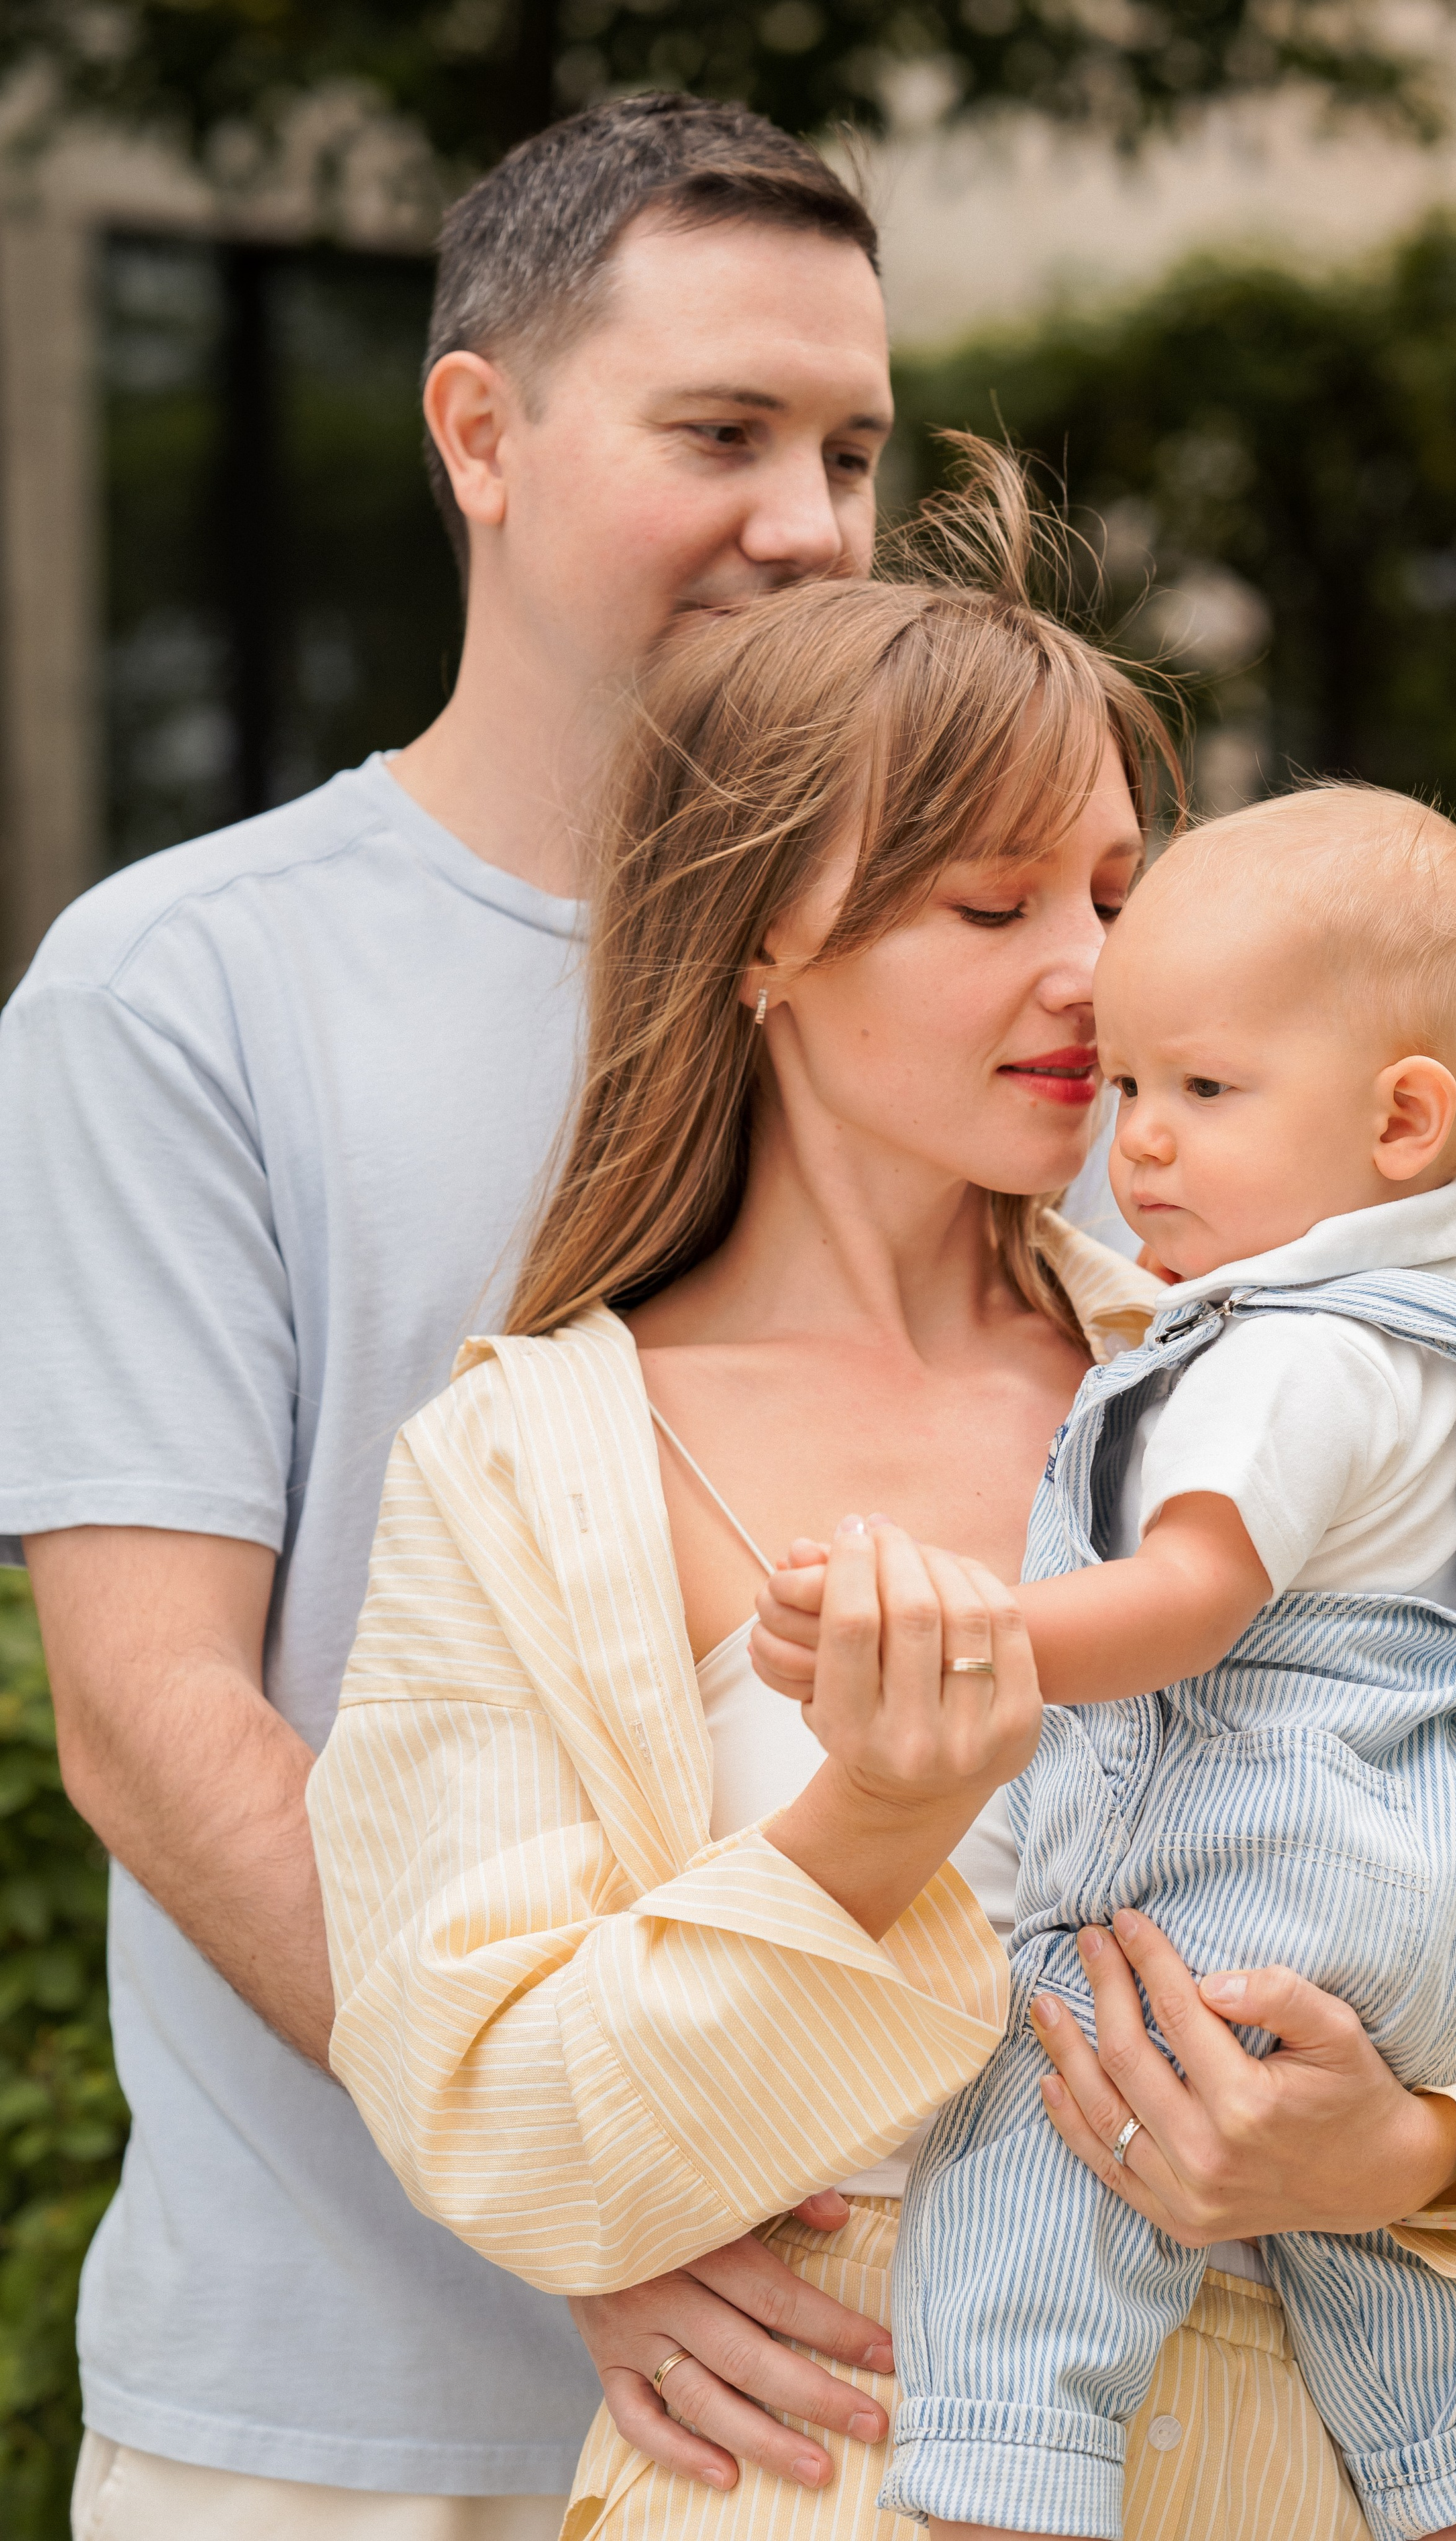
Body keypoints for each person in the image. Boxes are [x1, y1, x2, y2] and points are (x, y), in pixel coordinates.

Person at [305, 455, 1456, 2541]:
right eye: (995, 903)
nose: (1095, 977)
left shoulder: (1279, 1371)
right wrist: (866, 1826)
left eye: (1123, 897)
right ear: (761, 937)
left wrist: (1420, 2160)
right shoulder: (523, 1469)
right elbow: (497, 2118)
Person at [0, 93, 909, 2538]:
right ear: (478, 432)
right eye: (721, 431)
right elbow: (152, 1709)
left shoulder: (951, 981)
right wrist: (583, 2187)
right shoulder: (187, 988)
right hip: (336, 2428)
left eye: (851, 446)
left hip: (884, 2424)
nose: (810, 523)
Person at [759, 786, 1456, 2539]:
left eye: (1205, 1091)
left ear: (1402, 1118)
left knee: (1038, 2121)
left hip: (1257, 1902)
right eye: (1133, 1088)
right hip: (1420, 1941)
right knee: (1425, 2381)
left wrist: (954, 1637)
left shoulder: (1286, 1353)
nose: (1138, 1140)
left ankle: (993, 2491)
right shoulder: (1446, 1336)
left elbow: (1192, 1597)